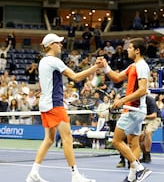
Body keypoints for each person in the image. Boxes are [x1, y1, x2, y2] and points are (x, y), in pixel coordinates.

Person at [25, 33, 105, 182]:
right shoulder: (54, 61)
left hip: (45, 104)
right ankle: (75, 176)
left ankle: (33, 173)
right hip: (54, 105)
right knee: (67, 138)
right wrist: (96, 67)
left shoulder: (43, 61)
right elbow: (75, 77)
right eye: (57, 42)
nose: (60, 44)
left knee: (49, 139)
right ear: (50, 45)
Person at [102, 37, 152, 182]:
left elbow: (143, 90)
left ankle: (140, 169)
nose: (127, 49)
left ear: (137, 50)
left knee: (116, 141)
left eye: (130, 48)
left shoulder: (141, 66)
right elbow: (117, 78)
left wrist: (122, 100)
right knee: (133, 143)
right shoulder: (132, 66)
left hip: (133, 110)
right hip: (135, 110)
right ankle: (131, 177)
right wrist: (105, 66)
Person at [139, 95, 161, 163]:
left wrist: (143, 117)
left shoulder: (150, 100)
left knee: (148, 132)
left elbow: (154, 115)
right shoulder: (136, 101)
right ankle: (144, 155)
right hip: (144, 119)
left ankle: (148, 154)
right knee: (140, 137)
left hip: (154, 119)